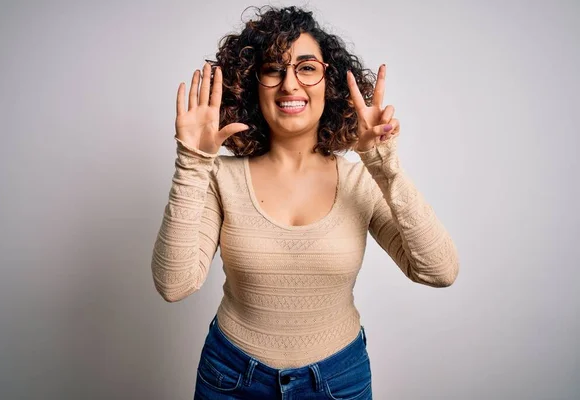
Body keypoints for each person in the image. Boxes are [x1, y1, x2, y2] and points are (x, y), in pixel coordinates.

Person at [151, 5, 459, 399]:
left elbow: (439, 271)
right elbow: (174, 285)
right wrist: (192, 163)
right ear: (252, 83)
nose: (290, 84)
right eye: (273, 69)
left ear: (328, 82)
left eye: (307, 67)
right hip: (230, 379)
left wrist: (385, 167)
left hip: (337, 380)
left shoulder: (360, 180)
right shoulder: (218, 177)